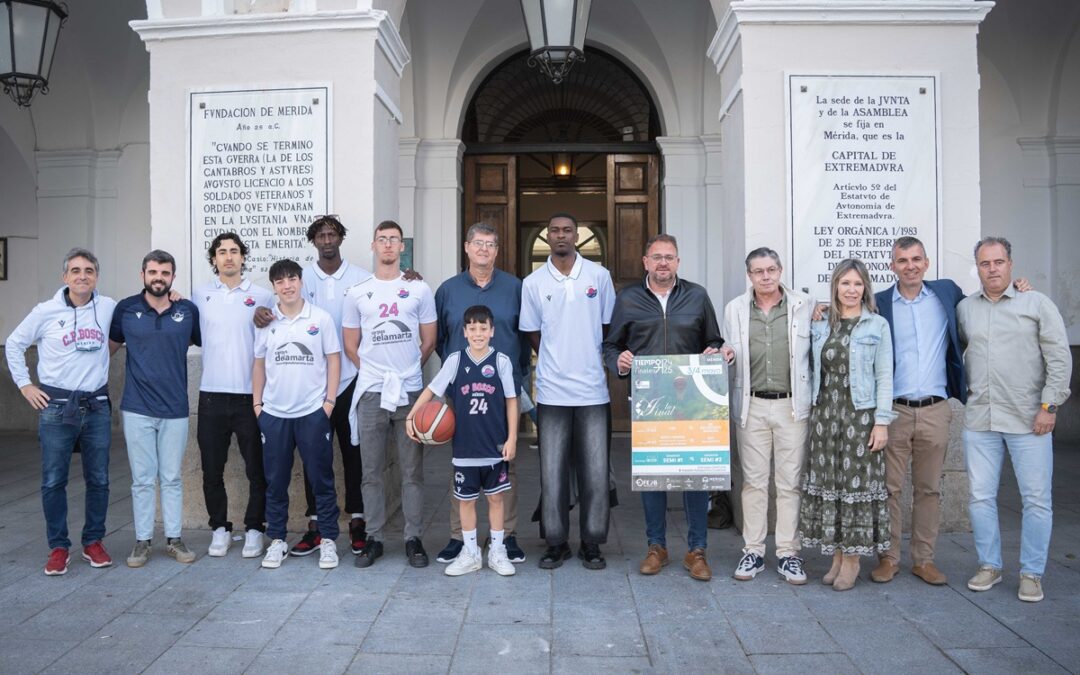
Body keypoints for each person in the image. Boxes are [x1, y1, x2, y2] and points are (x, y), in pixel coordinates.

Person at [603, 234, 728, 581]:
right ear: (645, 261)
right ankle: (656, 546)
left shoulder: (697, 296)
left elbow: (713, 341)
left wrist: (714, 352)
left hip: (693, 402)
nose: (662, 263)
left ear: (677, 261)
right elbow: (611, 346)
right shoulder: (628, 299)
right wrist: (621, 361)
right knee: (653, 477)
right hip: (650, 403)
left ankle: (697, 550)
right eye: (656, 257)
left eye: (669, 257)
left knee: (696, 478)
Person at [958, 237, 1071, 603]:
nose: (992, 269)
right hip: (981, 419)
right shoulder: (965, 309)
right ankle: (989, 565)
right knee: (979, 497)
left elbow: (1059, 358)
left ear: (1010, 263)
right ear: (977, 267)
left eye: (998, 262)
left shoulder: (1036, 303)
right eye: (985, 263)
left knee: (1036, 500)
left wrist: (1049, 407)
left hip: (1029, 420)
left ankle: (1031, 573)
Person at [258, 216, 373, 559]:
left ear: (340, 237)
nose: (326, 239)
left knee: (353, 454)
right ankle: (315, 526)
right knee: (314, 462)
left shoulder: (360, 277)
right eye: (320, 234)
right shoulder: (301, 276)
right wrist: (259, 315)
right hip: (310, 388)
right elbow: (270, 313)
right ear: (313, 241)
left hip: (350, 378)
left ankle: (357, 521)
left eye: (332, 233)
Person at [6, 248, 117, 575]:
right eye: (76, 270)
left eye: (89, 271)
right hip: (56, 407)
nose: (83, 276)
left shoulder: (108, 307)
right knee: (54, 480)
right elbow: (13, 344)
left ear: (96, 276)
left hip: (96, 406)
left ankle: (93, 541)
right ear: (65, 276)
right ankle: (58, 546)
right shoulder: (45, 311)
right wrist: (25, 385)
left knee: (99, 479)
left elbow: (141, 308)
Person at [520, 213, 616, 570]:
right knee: (552, 472)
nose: (561, 236)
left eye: (567, 231)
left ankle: (592, 542)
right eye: (555, 231)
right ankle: (555, 542)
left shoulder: (599, 277)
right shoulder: (532, 283)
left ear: (577, 236)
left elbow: (608, 327)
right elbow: (532, 331)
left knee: (595, 471)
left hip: (593, 391)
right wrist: (555, 357)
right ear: (547, 236)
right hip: (552, 392)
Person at [432, 222, 531, 565]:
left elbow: (525, 335)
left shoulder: (515, 288)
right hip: (461, 388)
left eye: (490, 244)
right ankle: (461, 537)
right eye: (478, 243)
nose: (484, 250)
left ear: (497, 250)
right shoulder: (447, 290)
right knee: (462, 459)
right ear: (466, 247)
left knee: (506, 458)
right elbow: (442, 340)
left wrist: (516, 376)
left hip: (503, 388)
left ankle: (507, 537)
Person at [343, 220, 437, 569]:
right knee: (371, 471)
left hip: (409, 390)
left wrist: (411, 368)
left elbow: (429, 339)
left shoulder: (418, 289)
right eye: (381, 239)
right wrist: (372, 371)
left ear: (401, 247)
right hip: (371, 391)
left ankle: (414, 537)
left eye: (393, 240)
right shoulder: (358, 291)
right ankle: (374, 537)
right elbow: (350, 343)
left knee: (412, 470)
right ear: (373, 246)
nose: (387, 245)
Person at [799, 258, 896, 591]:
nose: (851, 290)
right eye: (845, 283)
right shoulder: (822, 324)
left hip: (859, 414)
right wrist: (813, 310)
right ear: (835, 287)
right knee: (833, 485)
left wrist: (881, 422)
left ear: (865, 287)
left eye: (857, 284)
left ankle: (853, 559)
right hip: (826, 415)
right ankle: (838, 555)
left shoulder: (876, 325)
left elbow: (884, 376)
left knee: (855, 487)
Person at [406, 304, 520, 576]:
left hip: (494, 447)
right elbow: (432, 390)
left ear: (492, 331)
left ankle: (497, 549)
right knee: (465, 502)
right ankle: (470, 553)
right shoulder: (455, 360)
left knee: (496, 500)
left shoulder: (501, 361)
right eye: (472, 328)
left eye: (483, 328)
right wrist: (412, 416)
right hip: (465, 449)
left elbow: (512, 402)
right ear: (465, 331)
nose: (478, 333)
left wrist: (513, 438)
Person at [723, 247, 813, 585]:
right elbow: (729, 349)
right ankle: (754, 551)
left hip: (792, 406)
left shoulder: (803, 306)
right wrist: (725, 353)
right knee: (754, 483)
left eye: (772, 269)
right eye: (759, 271)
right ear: (749, 275)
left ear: (781, 270)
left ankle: (789, 553)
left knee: (789, 484)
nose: (766, 276)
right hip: (752, 405)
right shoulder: (734, 309)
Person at [109, 250, 201, 567]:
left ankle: (174, 539)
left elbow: (204, 341)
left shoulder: (187, 310)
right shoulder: (126, 309)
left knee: (172, 477)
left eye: (164, 273)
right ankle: (143, 541)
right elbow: (106, 351)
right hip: (136, 408)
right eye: (152, 272)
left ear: (173, 276)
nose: (158, 278)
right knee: (143, 478)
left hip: (175, 407)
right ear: (143, 275)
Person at [253, 259, 342, 570]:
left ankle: (328, 539)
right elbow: (259, 364)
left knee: (321, 479)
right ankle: (277, 540)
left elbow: (333, 359)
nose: (287, 285)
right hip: (275, 414)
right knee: (275, 481)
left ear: (301, 281)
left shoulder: (320, 318)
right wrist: (258, 406)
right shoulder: (267, 322)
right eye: (280, 281)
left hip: (312, 412)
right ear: (274, 287)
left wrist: (328, 403)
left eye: (291, 279)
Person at [192, 233, 274, 559]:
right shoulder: (200, 295)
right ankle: (219, 528)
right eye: (222, 252)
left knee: (257, 469)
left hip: (249, 397)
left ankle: (255, 529)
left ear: (243, 257)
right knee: (212, 469)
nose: (228, 257)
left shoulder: (262, 295)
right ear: (214, 258)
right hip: (211, 396)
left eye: (234, 251)